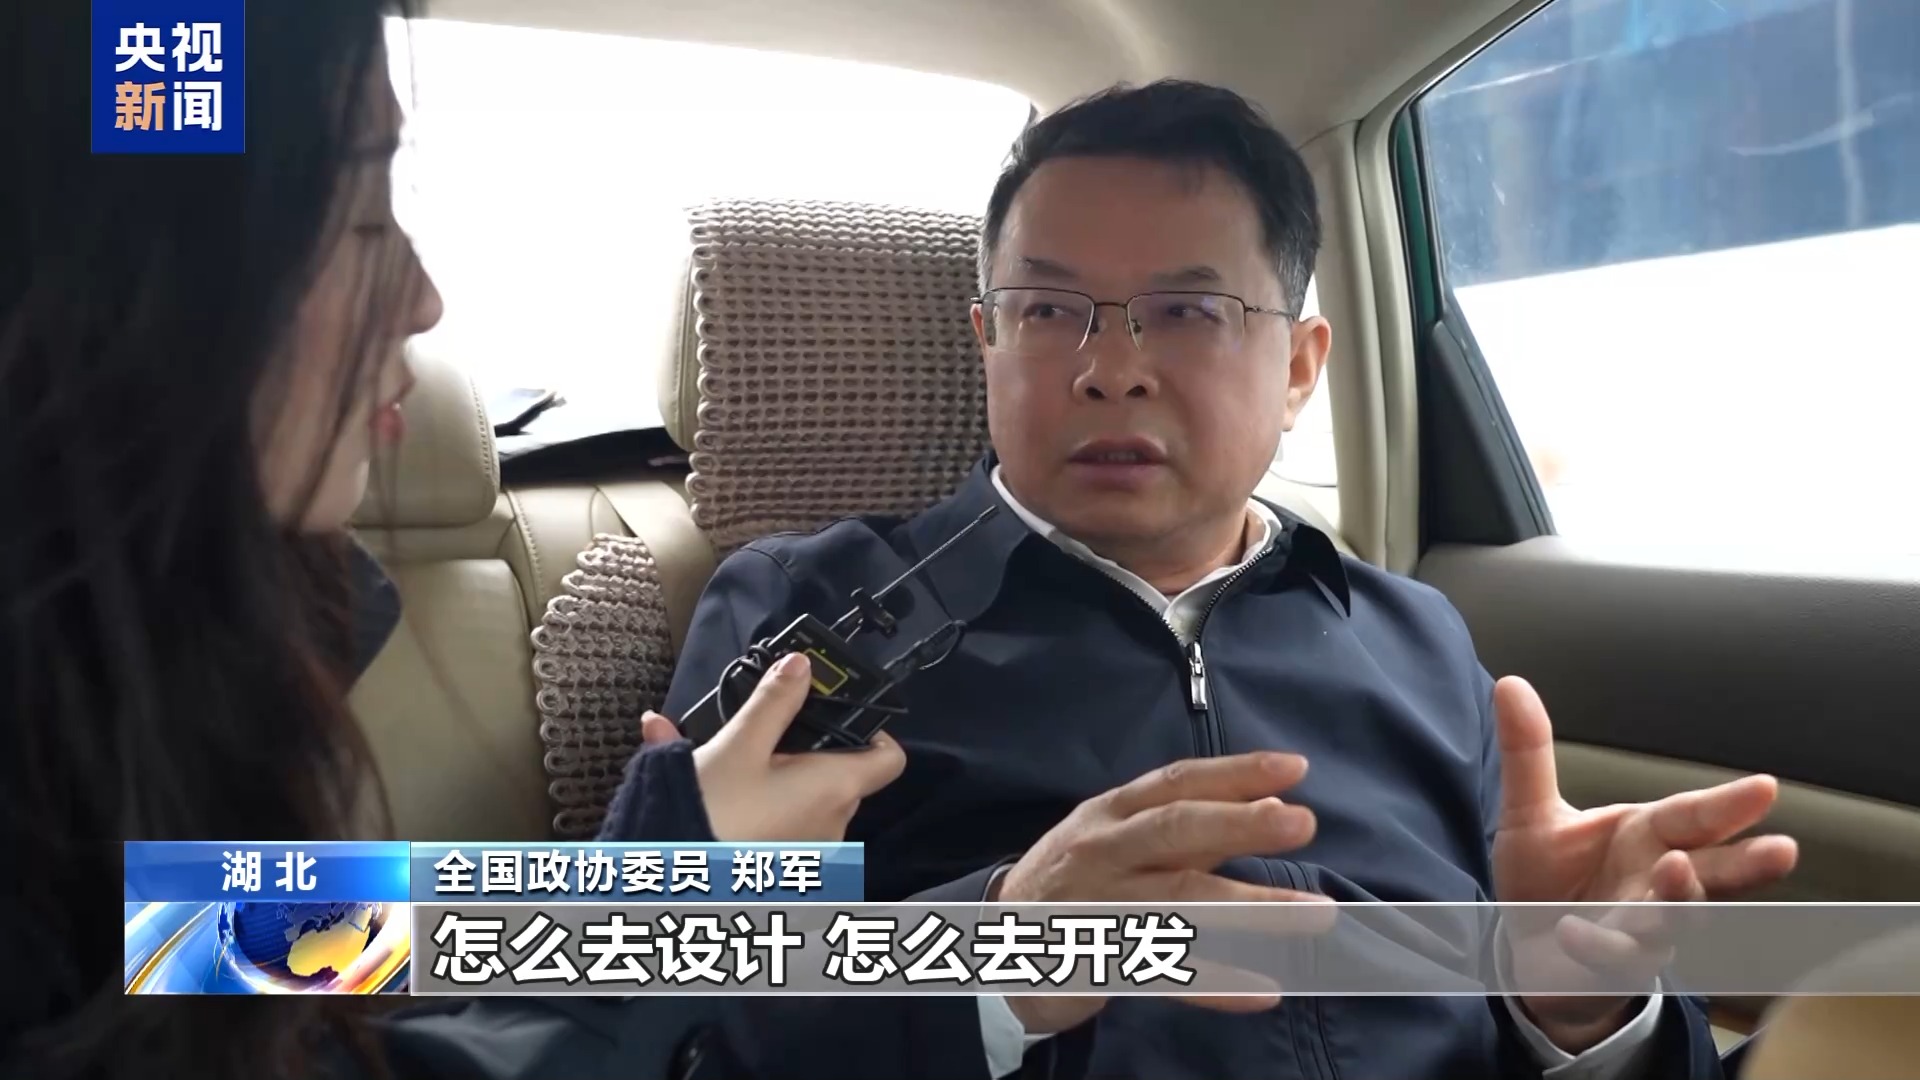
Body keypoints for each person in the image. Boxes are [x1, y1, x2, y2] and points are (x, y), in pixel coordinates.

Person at [656, 80, 1802, 1079]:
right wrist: (995, 956)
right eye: (1047, 311)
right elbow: (679, 1024)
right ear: (987, 343)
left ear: (1298, 368)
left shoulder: (1409, 633)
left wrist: (1582, 1012)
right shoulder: (811, 617)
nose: (1110, 370)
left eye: (1187, 313)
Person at [0, 5, 1013, 1079]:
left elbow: (206, 929)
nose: (422, 300)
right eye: (357, 217)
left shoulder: (120, 663)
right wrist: (679, 903)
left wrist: (687, 884)